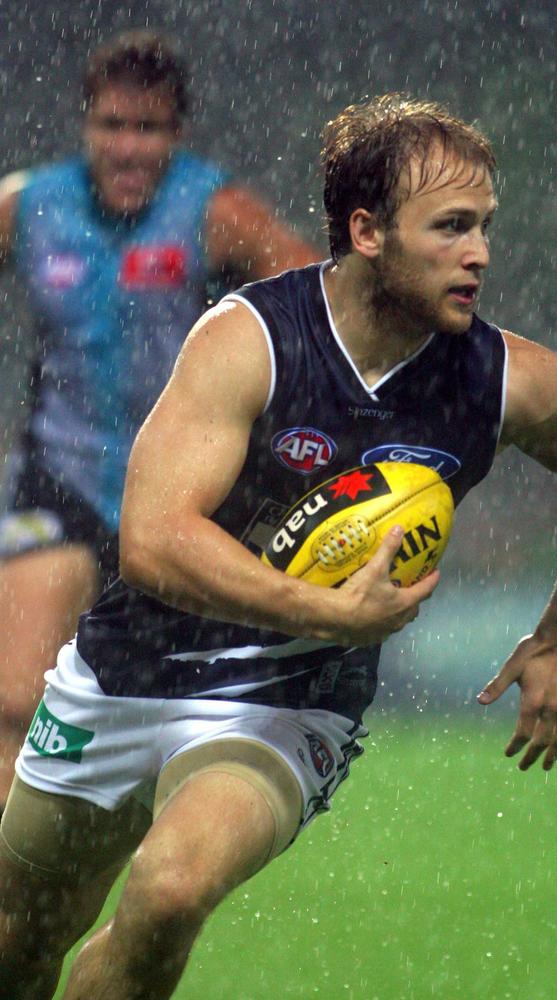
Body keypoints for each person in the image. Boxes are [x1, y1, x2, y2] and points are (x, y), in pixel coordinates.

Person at [0, 93, 557, 1000]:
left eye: (486, 227)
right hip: (125, 670)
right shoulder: (250, 338)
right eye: (452, 227)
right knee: (21, 940)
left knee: (170, 890)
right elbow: (153, 544)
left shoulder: (501, 380)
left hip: (289, 702)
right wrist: (328, 608)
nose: (481, 255)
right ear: (368, 231)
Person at [0, 29, 318, 808]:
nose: (129, 148)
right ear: (85, 125)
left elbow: (320, 309)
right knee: (14, 697)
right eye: (112, 125)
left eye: (147, 129)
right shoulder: (28, 207)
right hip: (60, 478)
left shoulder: (216, 212)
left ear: (175, 135)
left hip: (181, 490)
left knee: (161, 717)